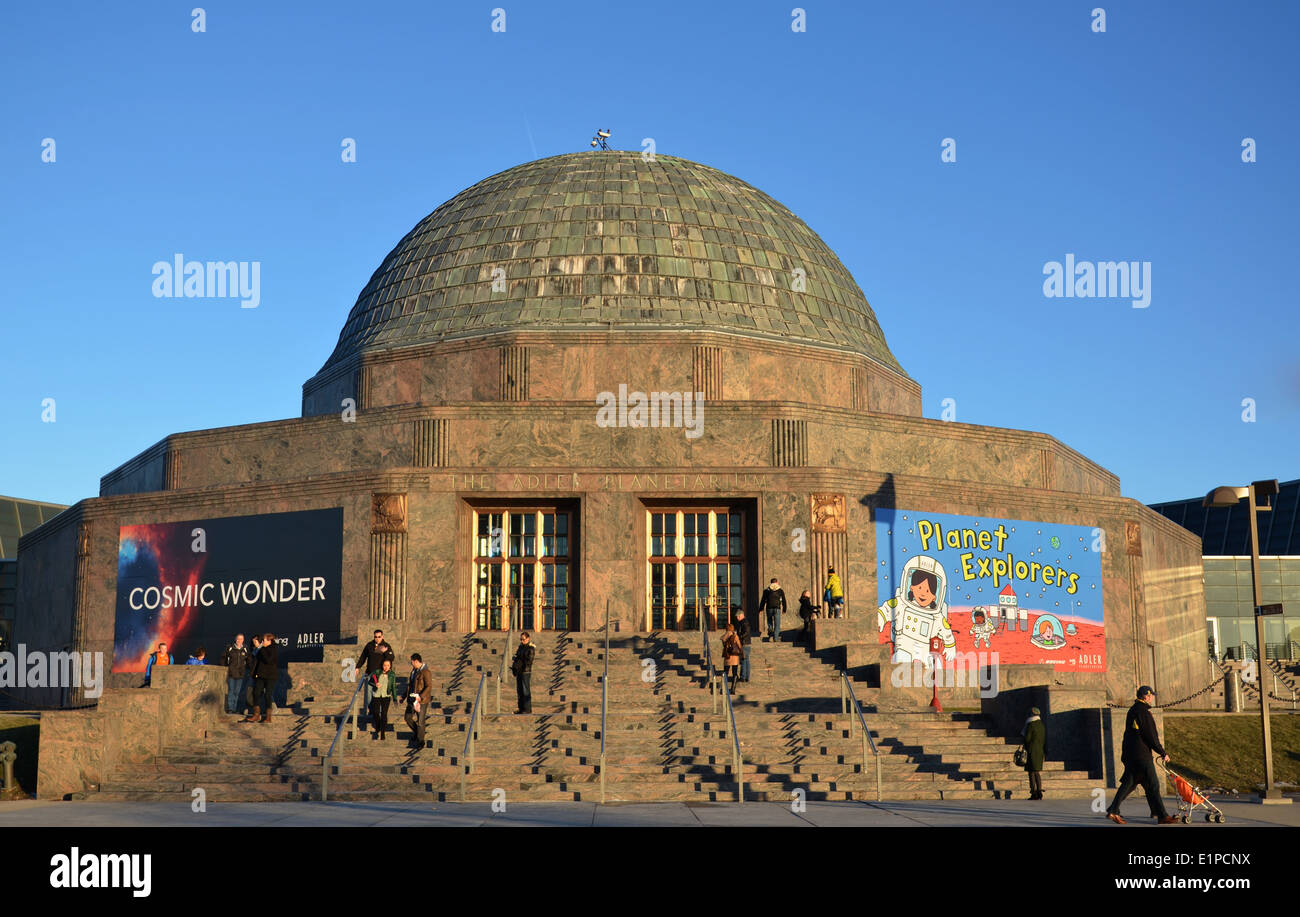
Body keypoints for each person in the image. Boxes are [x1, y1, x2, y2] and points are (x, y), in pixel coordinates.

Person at [1106, 686, 1178, 824]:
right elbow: (1150, 735)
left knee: (1130, 783)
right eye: (1151, 696)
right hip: (1141, 755)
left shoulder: (1133, 709)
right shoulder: (1143, 712)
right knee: (1154, 785)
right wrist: (1162, 752)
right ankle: (1163, 816)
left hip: (1132, 753)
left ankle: (1113, 811)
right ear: (1146, 696)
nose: (1152, 699)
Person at [356, 629, 395, 731]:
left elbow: (391, 658)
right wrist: (357, 667)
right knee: (369, 697)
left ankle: (380, 718)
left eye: (379, 636)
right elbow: (363, 657)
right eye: (375, 637)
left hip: (381, 677)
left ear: (382, 636)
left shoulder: (386, 646)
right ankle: (374, 713)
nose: (377, 638)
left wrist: (385, 652)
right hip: (370, 676)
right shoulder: (369, 645)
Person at [246, 632, 279, 724]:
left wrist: (260, 648)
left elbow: (268, 659)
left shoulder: (273, 649)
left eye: (264, 640)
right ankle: (256, 714)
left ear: (269, 641)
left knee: (268, 695)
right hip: (260, 675)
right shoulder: (261, 649)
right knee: (256, 692)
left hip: (271, 676)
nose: (262, 642)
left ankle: (268, 717)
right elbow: (255, 657)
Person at [403, 653, 432, 747]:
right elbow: (410, 685)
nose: (411, 664)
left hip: (421, 700)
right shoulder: (414, 671)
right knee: (408, 717)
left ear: (416, 661)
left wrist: (420, 696)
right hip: (412, 699)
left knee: (420, 721)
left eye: (412, 662)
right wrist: (404, 696)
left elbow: (428, 686)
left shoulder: (426, 672)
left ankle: (420, 741)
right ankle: (417, 733)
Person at [220, 634, 252, 715]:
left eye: (241, 639)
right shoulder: (230, 648)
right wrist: (224, 667)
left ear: (243, 640)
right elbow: (223, 658)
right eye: (238, 639)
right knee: (231, 691)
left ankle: (234, 708)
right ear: (235, 639)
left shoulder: (245, 649)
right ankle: (230, 708)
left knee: (237, 692)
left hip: (240, 674)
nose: (239, 641)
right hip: (231, 673)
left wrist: (252, 668)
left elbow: (249, 660)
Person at [368, 658, 397, 741]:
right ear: (382, 665)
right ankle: (378, 726)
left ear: (390, 666)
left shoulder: (392, 674)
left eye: (388, 665)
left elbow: (393, 686)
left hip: (386, 696)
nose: (386, 667)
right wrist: (375, 684)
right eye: (384, 665)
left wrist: (395, 698)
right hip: (376, 695)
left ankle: (382, 733)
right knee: (376, 712)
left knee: (384, 714)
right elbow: (370, 681)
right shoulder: (377, 672)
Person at [1022, 706, 1046, 800]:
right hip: (1039, 750)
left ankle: (1034, 792)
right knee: (1037, 772)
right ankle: (1039, 791)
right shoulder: (1041, 725)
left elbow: (1027, 738)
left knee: (1031, 772)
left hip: (1031, 750)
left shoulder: (1030, 724)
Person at [511, 632, 535, 714]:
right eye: (521, 639)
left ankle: (527, 709)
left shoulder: (530, 648)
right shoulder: (520, 647)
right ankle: (521, 708)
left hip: (525, 671)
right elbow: (517, 657)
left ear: (528, 639)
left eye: (523, 639)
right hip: (519, 671)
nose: (522, 641)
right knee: (520, 690)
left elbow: (529, 661)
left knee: (525, 690)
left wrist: (520, 660)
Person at [759, 577, 787, 642]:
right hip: (777, 608)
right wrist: (784, 609)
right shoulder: (780, 590)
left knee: (769, 621)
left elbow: (763, 600)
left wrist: (761, 608)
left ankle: (770, 631)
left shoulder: (767, 590)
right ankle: (776, 638)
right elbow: (784, 600)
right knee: (777, 624)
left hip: (769, 608)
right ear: (777, 582)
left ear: (771, 583)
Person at [721, 623, 742, 694]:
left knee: (725, 672)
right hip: (735, 656)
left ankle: (723, 688)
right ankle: (733, 689)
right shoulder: (735, 635)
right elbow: (739, 645)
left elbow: (722, 640)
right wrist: (741, 651)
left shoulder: (726, 635)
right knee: (735, 673)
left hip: (728, 656)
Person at [734, 608, 753, 683]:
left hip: (744, 643)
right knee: (746, 660)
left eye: (738, 616)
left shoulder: (744, 622)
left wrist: (739, 637)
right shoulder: (744, 622)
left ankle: (743, 676)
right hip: (746, 643)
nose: (737, 618)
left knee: (744, 660)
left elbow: (746, 632)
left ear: (741, 615)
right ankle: (746, 677)